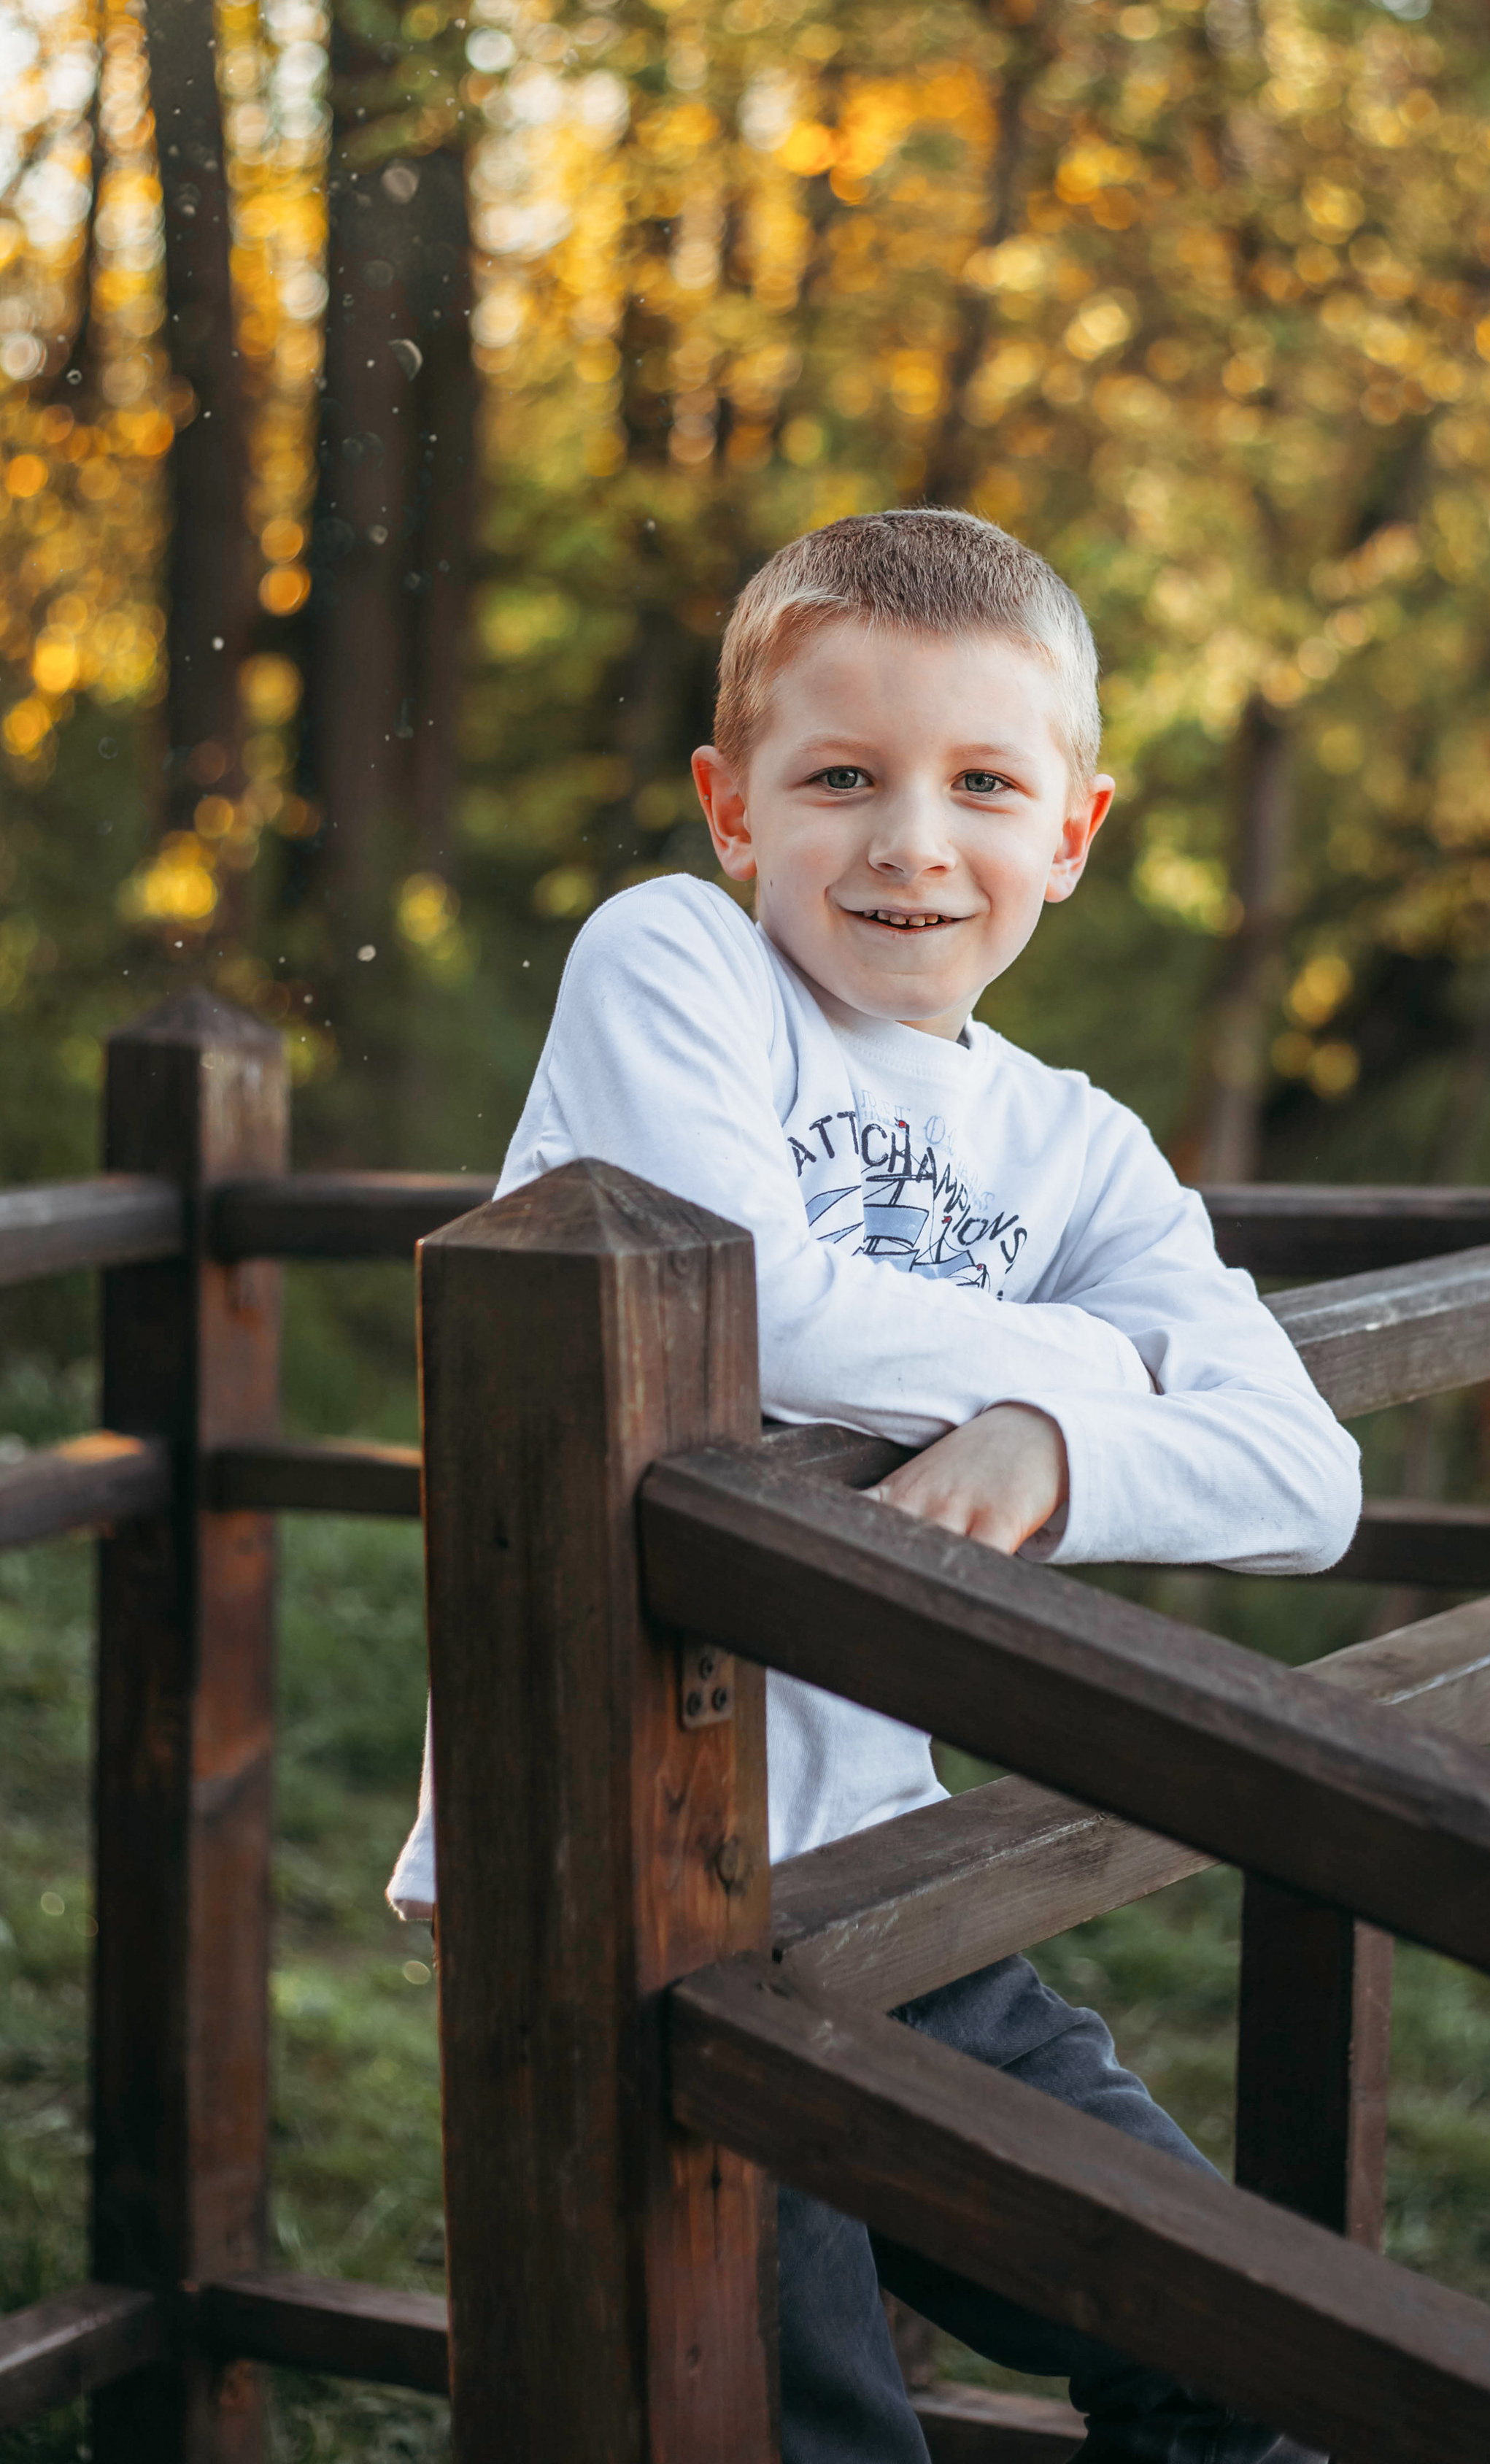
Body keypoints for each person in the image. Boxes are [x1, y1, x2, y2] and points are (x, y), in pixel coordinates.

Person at [390, 507, 1359, 2463]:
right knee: (805, 2427)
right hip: (622, 1881)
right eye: (842, 777)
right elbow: (751, 1309)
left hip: (892, 1892)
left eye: (984, 785)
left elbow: (1304, 1474)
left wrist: (1062, 1457)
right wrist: (1095, 1364)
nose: (912, 840)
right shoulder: (675, 964)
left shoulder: (1071, 1145)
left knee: (1231, 2339)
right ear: (732, 807)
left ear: (1074, 833)